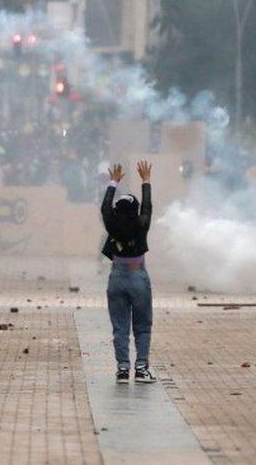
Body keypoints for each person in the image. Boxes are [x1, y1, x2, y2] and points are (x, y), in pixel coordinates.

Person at [101, 161, 155, 384]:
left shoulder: (112, 225)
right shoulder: (141, 224)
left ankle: (123, 369)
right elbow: (147, 208)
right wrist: (146, 181)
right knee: (142, 325)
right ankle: (141, 369)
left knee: (120, 327)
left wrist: (113, 182)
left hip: (117, 277)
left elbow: (105, 208)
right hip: (138, 275)